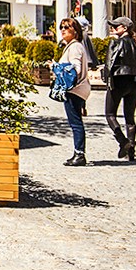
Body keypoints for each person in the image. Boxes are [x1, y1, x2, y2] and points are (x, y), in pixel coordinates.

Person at [103, 17, 136, 161]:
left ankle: (123, 141)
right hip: (135, 82)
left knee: (110, 114)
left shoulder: (115, 43)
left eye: (116, 26)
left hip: (118, 80)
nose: (113, 29)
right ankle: (131, 151)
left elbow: (109, 64)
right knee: (130, 117)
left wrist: (107, 79)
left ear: (124, 28)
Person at [55, 17, 94, 166]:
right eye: (61, 27)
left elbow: (75, 67)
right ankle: (78, 153)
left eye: (67, 27)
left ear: (75, 31)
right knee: (76, 122)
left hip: (74, 89)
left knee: (76, 123)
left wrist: (58, 69)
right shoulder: (73, 46)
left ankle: (79, 154)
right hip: (79, 89)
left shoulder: (75, 47)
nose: (63, 30)